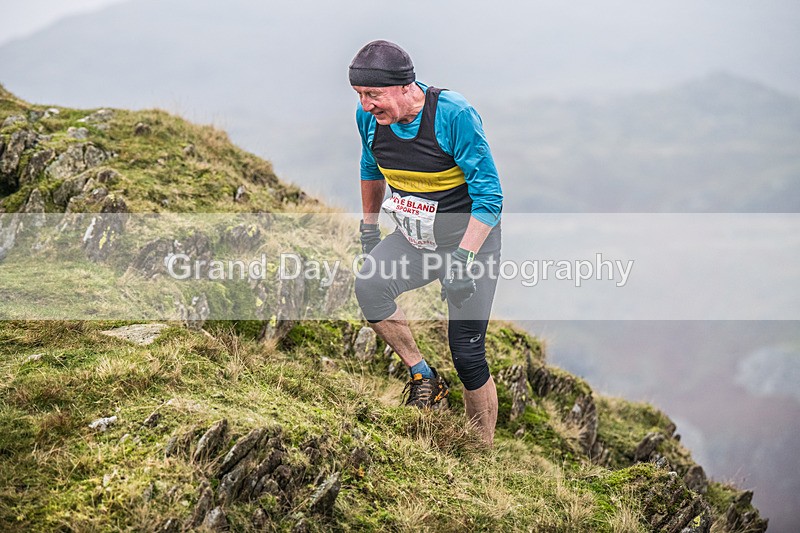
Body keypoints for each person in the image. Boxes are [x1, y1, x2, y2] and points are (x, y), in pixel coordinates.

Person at [349, 40, 503, 445]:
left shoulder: (453, 115)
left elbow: (490, 199)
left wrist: (465, 258)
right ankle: (423, 375)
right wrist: (369, 227)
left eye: (373, 95)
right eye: (360, 95)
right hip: (416, 240)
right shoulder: (370, 120)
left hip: (469, 243)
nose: (366, 105)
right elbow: (371, 166)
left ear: (404, 86)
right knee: (369, 285)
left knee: (468, 353)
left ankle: (479, 453)